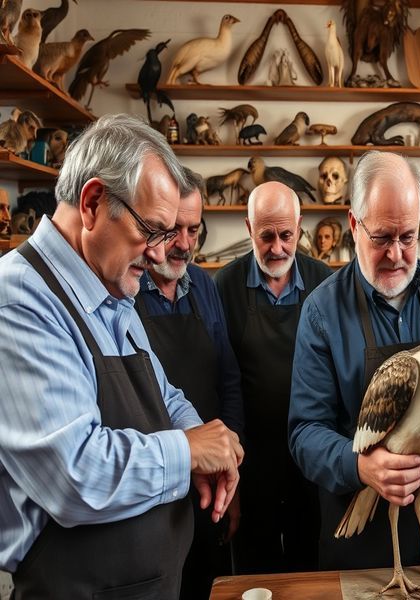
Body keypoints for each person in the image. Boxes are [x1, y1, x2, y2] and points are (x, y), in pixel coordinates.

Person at [0, 114, 243, 599]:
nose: (159, 254)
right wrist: (187, 451)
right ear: (92, 203)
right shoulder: (19, 300)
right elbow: (75, 473)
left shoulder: (114, 290)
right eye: (151, 230)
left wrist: (205, 439)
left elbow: (161, 394)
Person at [288, 150, 420, 570]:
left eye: (407, 237)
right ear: (354, 225)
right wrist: (361, 466)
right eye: (382, 238)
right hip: (360, 544)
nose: (396, 254)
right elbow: (304, 432)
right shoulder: (321, 312)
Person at [134, 169, 245, 600]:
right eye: (172, 229)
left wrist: (231, 471)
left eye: (193, 230)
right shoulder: (125, 287)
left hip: (210, 487)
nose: (183, 243)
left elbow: (229, 382)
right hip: (151, 488)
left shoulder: (204, 285)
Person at [215, 181, 333, 573]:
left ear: (300, 228)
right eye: (266, 236)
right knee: (253, 575)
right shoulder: (225, 287)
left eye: (287, 235)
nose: (278, 248)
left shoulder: (325, 282)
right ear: (249, 229)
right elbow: (222, 384)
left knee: (311, 575)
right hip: (251, 466)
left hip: (313, 465)